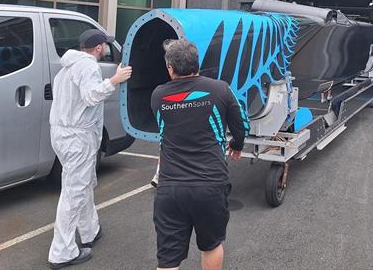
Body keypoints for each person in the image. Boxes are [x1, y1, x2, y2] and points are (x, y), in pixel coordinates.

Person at [150, 39, 248, 270]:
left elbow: (166, 130)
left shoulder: (158, 95)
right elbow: (241, 124)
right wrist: (237, 144)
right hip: (210, 184)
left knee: (168, 259)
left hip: (170, 187)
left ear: (170, 68)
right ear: (197, 63)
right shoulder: (220, 89)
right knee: (211, 246)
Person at [47, 29, 133, 269]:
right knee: (73, 192)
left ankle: (90, 230)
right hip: (77, 136)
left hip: (62, 133)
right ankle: (61, 252)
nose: (106, 49)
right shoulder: (88, 66)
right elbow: (91, 96)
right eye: (104, 46)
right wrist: (115, 80)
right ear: (98, 48)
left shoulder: (66, 68)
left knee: (81, 183)